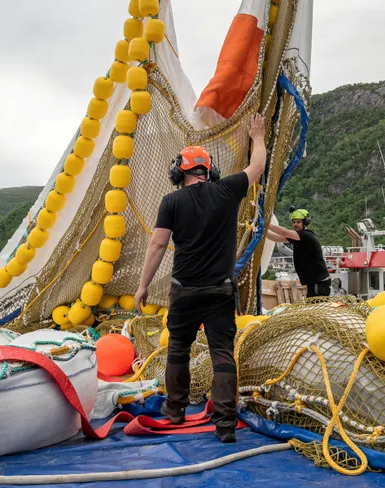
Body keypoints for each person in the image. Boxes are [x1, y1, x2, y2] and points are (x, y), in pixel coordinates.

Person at [134, 113, 268, 443]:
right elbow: (257, 168)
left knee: (178, 348)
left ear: (179, 171)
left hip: (185, 291)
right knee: (222, 353)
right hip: (220, 292)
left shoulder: (171, 201)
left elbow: (158, 243)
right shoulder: (227, 190)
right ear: (209, 171)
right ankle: (225, 425)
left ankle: (175, 410)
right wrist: (258, 135)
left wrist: (143, 285)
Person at [265, 208, 331, 298]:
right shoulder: (297, 237)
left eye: (298, 222)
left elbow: (283, 232)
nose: (295, 224)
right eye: (294, 222)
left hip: (319, 282)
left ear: (305, 223)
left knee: (315, 307)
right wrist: (262, 231)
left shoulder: (305, 235)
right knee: (312, 307)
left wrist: (265, 223)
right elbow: (275, 238)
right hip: (314, 281)